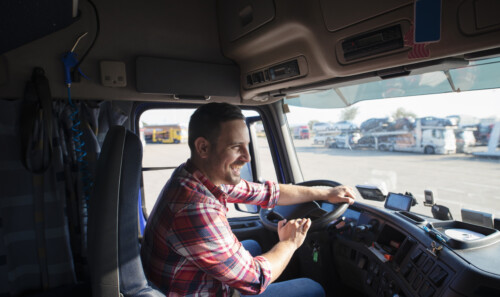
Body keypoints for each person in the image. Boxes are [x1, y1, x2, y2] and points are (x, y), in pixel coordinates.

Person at [140, 102, 356, 297]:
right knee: (312, 288)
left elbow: (267, 193)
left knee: (253, 244)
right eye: (236, 147)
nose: (247, 157)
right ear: (203, 147)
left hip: (192, 282)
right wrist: (290, 243)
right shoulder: (195, 209)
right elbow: (256, 280)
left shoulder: (197, 176)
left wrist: (326, 193)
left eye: (246, 145)